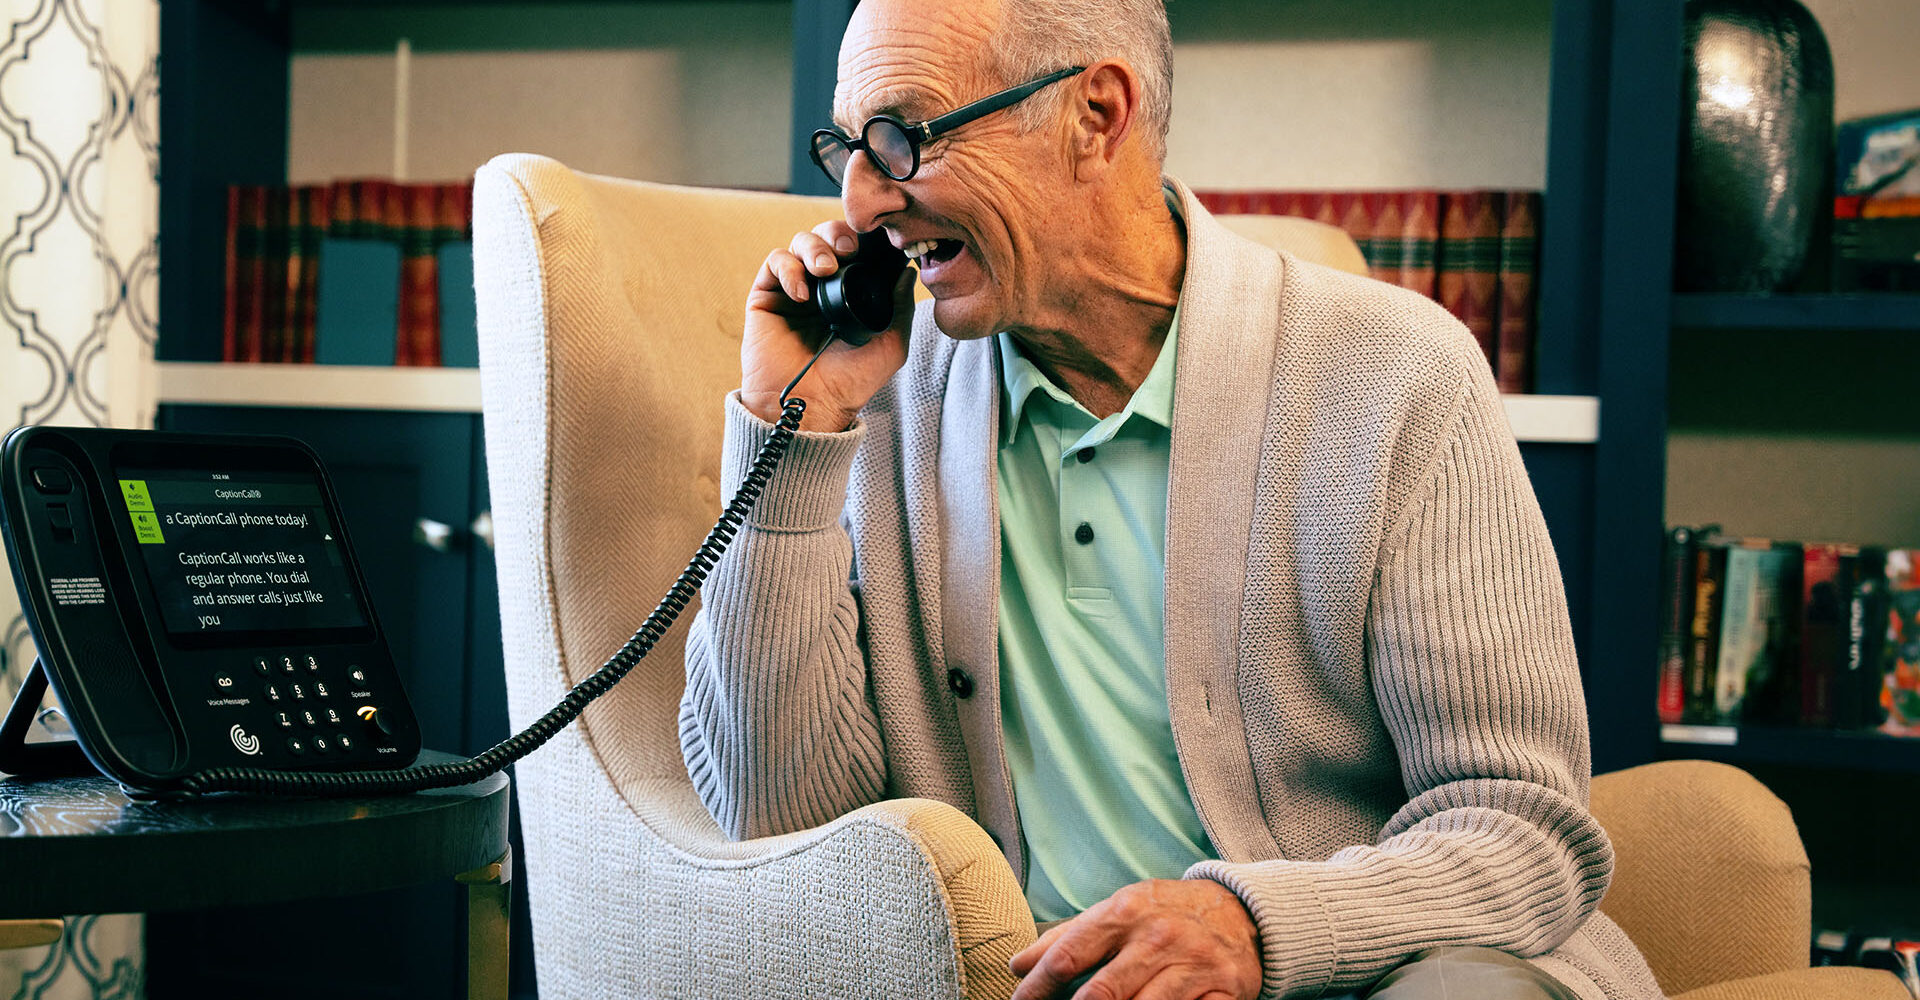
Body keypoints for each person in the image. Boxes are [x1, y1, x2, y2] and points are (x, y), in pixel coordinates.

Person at [680, 1, 1663, 997]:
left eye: (902, 139)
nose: (859, 203)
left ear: (1095, 116)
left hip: (1373, 971)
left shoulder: (1400, 376)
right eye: (846, 147)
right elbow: (781, 817)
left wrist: (1255, 925)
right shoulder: (868, 398)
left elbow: (1521, 827)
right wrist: (788, 429)